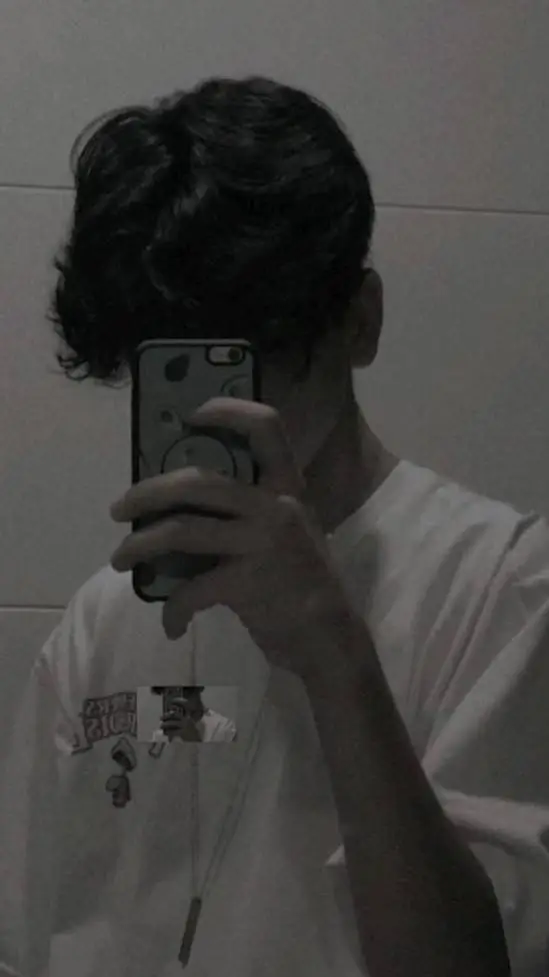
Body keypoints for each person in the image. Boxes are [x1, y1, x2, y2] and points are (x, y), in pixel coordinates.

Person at [0, 75, 547, 977]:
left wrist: (335, 659)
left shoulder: (500, 586)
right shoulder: (106, 617)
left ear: (359, 321)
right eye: (173, 363)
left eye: (245, 355)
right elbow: (28, 941)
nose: (215, 410)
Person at [150, 686, 238, 743]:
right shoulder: (160, 735)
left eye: (185, 690)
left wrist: (193, 740)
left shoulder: (224, 727)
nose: (175, 699)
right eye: (167, 692)